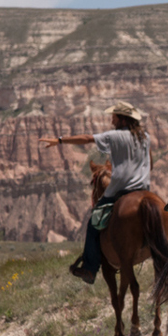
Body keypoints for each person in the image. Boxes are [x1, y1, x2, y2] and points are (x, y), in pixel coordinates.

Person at [39, 101, 152, 284]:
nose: (111, 119)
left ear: (122, 119)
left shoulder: (115, 136)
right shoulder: (145, 137)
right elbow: (151, 164)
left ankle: (90, 268)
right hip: (144, 189)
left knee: (94, 222)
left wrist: (59, 140)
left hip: (120, 190)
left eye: (114, 116)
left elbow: (86, 139)